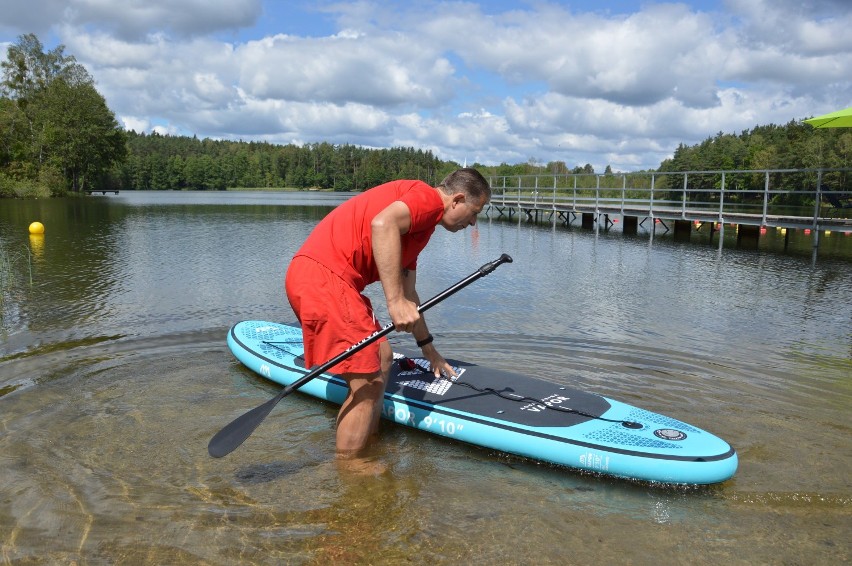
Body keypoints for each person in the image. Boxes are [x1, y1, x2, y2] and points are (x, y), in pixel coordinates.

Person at [285, 168, 491, 456]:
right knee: (369, 383)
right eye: (474, 212)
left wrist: (427, 348)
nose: (472, 223)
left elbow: (410, 295)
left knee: (381, 358)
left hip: (322, 279)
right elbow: (382, 224)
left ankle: (367, 445)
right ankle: (351, 468)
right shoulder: (427, 200)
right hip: (324, 279)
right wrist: (393, 303)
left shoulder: (420, 226)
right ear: (457, 199)